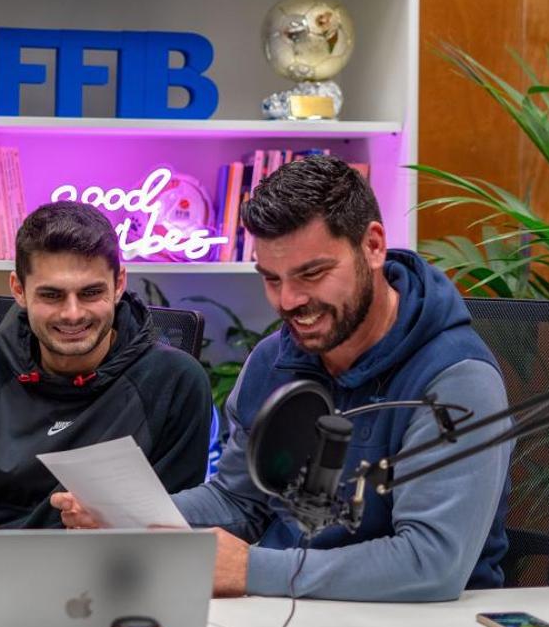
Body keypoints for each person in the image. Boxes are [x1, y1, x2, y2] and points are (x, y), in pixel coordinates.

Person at [54, 156, 512, 602]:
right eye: (272, 278)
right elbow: (239, 501)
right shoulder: (274, 360)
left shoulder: (456, 379)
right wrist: (127, 518)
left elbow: (431, 563)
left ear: (372, 246)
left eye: (312, 274)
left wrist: (253, 569)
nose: (289, 300)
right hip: (286, 615)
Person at [0, 201, 213, 606]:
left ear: (119, 285)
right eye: (52, 295)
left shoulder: (175, 383)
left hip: (105, 606)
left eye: (91, 292)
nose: (73, 313)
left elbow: (165, 548)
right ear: (18, 291)